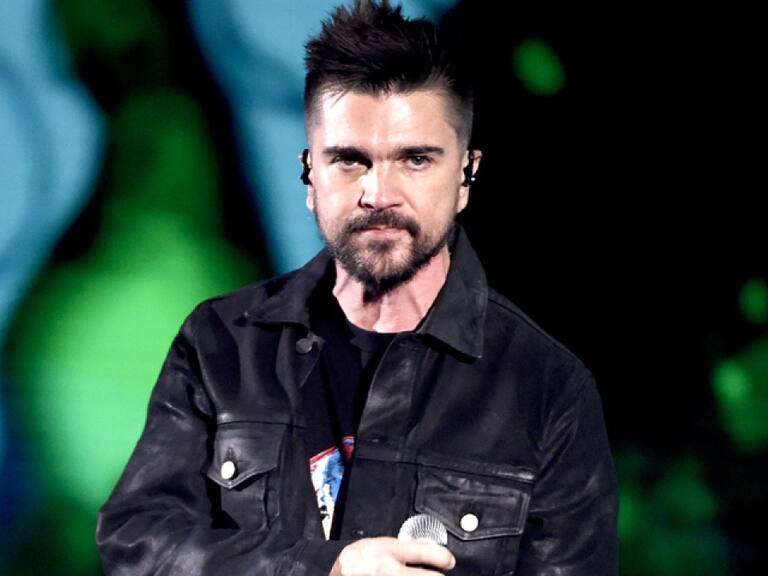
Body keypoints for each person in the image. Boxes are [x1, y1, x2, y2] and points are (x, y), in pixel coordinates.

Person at [96, 1, 618, 574]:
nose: (378, 194)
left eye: (415, 160)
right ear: (308, 175)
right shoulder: (221, 344)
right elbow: (137, 543)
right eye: (349, 160)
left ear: (466, 175)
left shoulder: (546, 388)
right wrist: (324, 568)